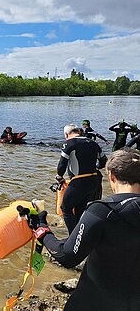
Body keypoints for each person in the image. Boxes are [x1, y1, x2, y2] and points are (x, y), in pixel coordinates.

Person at [34, 148, 140, 310]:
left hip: (95, 300)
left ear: (112, 177)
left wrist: (42, 230)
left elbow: (67, 256)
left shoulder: (102, 210)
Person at [55, 124, 107, 234]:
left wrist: (59, 177)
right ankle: (82, 236)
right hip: (94, 181)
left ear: (66, 134)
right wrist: (94, 167)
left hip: (79, 181)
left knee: (66, 208)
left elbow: (62, 164)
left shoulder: (69, 143)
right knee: (81, 209)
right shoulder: (93, 143)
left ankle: (73, 238)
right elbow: (103, 161)